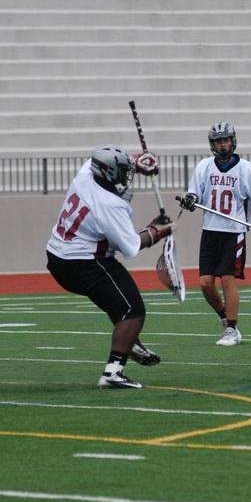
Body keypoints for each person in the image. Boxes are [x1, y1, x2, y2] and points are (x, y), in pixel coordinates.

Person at [46, 145, 171, 389]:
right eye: (123, 171)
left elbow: (111, 163)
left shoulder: (86, 174)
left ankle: (131, 342)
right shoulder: (109, 204)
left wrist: (139, 161)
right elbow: (132, 247)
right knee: (133, 310)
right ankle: (113, 373)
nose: (127, 176)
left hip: (57, 256)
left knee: (119, 302)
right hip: (83, 262)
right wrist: (157, 231)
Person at [179, 122, 251, 347]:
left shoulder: (246, 169)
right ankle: (224, 317)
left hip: (234, 231)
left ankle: (232, 329)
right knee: (204, 283)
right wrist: (189, 200)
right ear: (212, 144)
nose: (223, 145)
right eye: (218, 141)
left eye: (226, 140)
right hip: (210, 231)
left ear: (233, 141)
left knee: (227, 278)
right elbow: (194, 195)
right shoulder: (204, 167)